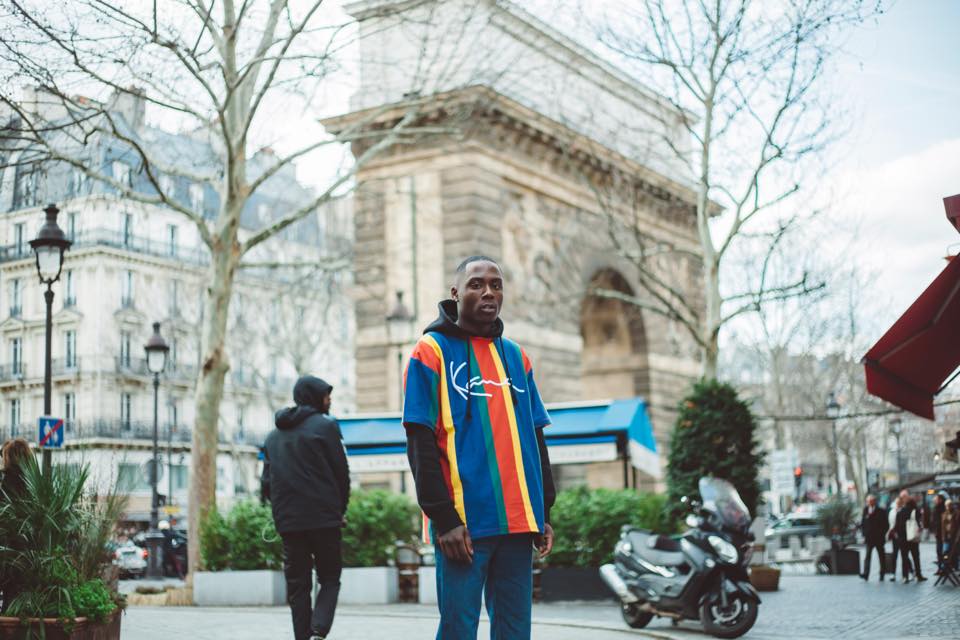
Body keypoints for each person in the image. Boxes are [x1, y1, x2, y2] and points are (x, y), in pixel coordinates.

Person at [403, 256, 557, 640]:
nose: (488, 292)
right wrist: (445, 520)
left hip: (519, 522)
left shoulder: (517, 356)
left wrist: (543, 510)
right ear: (456, 293)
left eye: (496, 284)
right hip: (464, 527)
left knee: (515, 632)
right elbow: (420, 443)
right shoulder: (430, 351)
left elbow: (535, 436)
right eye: (476, 284)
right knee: (458, 630)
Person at [261, 376, 349, 640]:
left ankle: (303, 636)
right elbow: (341, 474)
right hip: (324, 520)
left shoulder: (272, 437)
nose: (329, 400)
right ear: (314, 396)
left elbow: (266, 483)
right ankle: (318, 632)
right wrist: (340, 510)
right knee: (330, 578)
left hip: (289, 522)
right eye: (326, 395)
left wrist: (280, 512)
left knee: (298, 586)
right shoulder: (326, 427)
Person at [1, 438, 33, 613]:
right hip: (29, 544)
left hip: (9, 543)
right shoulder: (33, 480)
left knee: (9, 589)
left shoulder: (7, 480)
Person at [895, 492, 925, 583]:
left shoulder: (900, 512)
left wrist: (899, 536)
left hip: (903, 539)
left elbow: (897, 526)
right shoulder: (916, 511)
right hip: (913, 538)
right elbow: (919, 523)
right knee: (916, 557)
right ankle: (919, 575)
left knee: (904, 558)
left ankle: (905, 576)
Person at [859, 494, 888, 581]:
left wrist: (882, 534)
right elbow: (863, 523)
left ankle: (882, 574)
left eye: (871, 501)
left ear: (875, 501)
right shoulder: (865, 510)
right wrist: (864, 534)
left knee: (881, 556)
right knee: (867, 556)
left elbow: (885, 524)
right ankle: (866, 574)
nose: (870, 503)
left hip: (879, 538)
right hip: (869, 538)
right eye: (868, 501)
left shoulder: (881, 511)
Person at [887, 493, 904, 582]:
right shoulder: (892, 512)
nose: (898, 504)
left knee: (904, 555)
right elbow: (890, 523)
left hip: (902, 536)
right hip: (894, 535)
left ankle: (911, 572)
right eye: (897, 503)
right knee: (895, 555)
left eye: (899, 502)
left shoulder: (903, 511)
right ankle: (893, 573)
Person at [932, 493, 946, 574]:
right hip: (938, 533)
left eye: (936, 499)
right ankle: (940, 568)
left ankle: (943, 568)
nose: (934, 501)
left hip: (942, 534)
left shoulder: (942, 508)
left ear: (940, 500)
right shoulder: (936, 508)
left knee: (942, 551)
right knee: (939, 551)